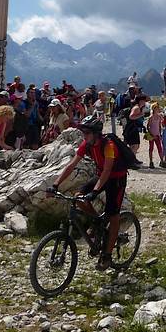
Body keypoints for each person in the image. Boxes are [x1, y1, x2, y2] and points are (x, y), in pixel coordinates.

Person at [48, 114, 127, 271]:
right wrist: (55, 184)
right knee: (78, 198)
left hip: (116, 179)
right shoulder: (87, 144)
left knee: (113, 215)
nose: (84, 136)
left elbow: (107, 170)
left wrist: (96, 191)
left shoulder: (108, 146)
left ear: (96, 133)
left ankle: (107, 255)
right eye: (83, 133)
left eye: (87, 133)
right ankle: (97, 223)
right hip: (100, 175)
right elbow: (71, 165)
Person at [124, 94, 148, 162]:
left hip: (134, 128)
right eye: (143, 101)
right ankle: (131, 161)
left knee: (135, 145)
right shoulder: (136, 108)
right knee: (134, 145)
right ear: (140, 101)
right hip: (131, 128)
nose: (144, 102)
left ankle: (133, 159)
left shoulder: (139, 107)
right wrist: (141, 114)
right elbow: (131, 117)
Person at [147, 102, 166, 168]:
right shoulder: (151, 117)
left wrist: (159, 134)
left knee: (160, 148)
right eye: (157, 108)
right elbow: (148, 126)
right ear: (154, 109)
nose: (158, 109)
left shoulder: (159, 117)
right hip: (152, 135)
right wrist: (151, 134)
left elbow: (159, 126)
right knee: (151, 148)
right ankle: (151, 162)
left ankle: (162, 161)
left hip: (157, 135)